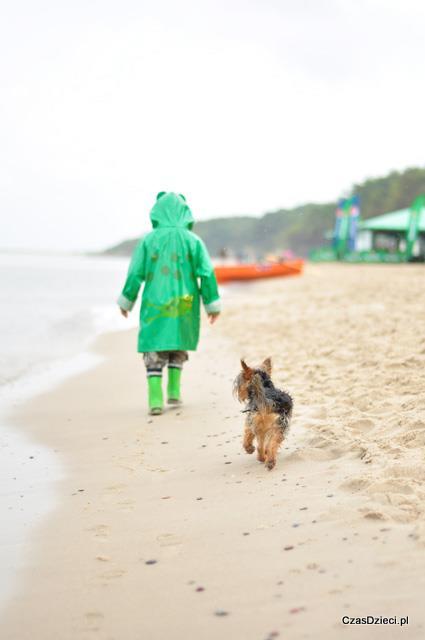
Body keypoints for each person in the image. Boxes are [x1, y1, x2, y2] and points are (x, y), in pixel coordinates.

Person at [117, 192, 221, 415]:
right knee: (178, 341)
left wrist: (127, 301)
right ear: (185, 213)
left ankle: (156, 399)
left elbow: (136, 273)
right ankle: (174, 390)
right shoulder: (193, 241)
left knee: (154, 346)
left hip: (156, 299)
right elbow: (207, 273)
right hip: (185, 299)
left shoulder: (148, 240)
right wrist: (212, 304)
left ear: (157, 212)